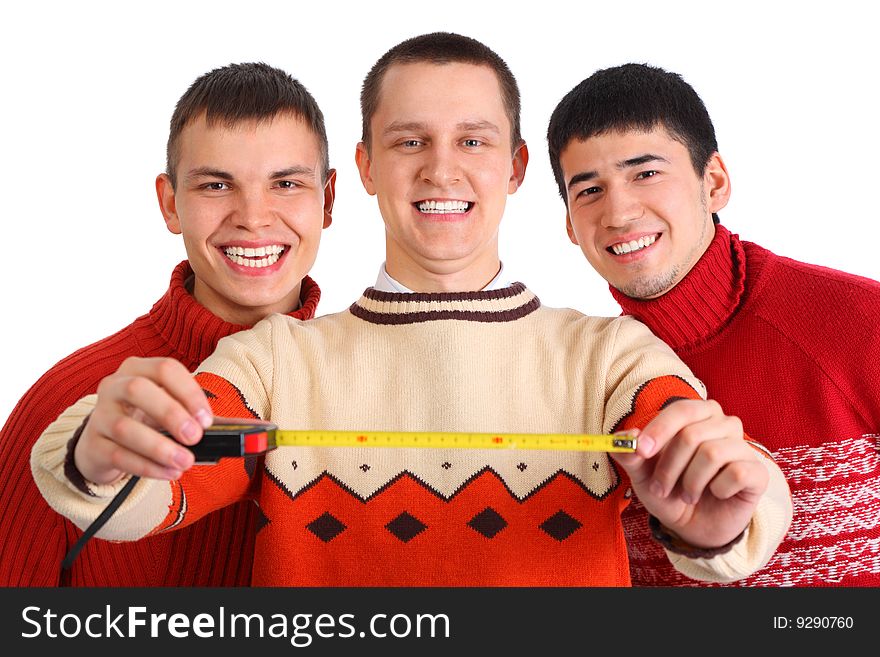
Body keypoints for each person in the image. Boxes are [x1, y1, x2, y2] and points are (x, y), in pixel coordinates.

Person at [32, 34, 791, 586]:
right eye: (408, 140)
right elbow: (164, 486)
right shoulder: (276, 361)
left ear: (517, 166)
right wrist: (99, 454)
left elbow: (739, 484)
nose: (440, 166)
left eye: (473, 139)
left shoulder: (610, 356)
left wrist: (718, 514)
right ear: (363, 166)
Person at [2, 62, 335, 586]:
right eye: (217, 185)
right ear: (170, 203)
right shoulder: (66, 409)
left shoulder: (367, 388)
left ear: (328, 200)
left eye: (286, 183)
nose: (253, 216)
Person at [546, 63, 880, 586]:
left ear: (714, 182)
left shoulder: (863, 323)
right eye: (588, 190)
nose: (619, 211)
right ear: (569, 224)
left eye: (646, 173)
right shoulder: (590, 383)